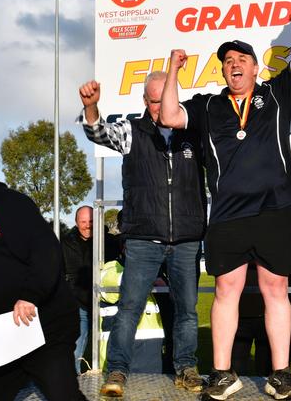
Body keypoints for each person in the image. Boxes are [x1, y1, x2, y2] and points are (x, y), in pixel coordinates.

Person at [159, 35, 291, 400]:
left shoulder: (275, 93)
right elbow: (168, 115)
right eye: (228, 60)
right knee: (225, 292)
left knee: (275, 290)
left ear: (254, 66)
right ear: (223, 70)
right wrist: (173, 70)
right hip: (228, 215)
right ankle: (222, 373)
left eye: (242, 58)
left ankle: (280, 375)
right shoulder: (207, 105)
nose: (235, 64)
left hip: (274, 210)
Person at [79, 71, 207, 397]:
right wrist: (92, 108)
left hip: (186, 239)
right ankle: (117, 371)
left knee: (188, 311)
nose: (159, 106)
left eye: (164, 99)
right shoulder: (132, 131)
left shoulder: (193, 133)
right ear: (144, 101)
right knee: (130, 308)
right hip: (143, 239)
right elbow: (98, 132)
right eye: (153, 100)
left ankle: (186, 368)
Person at [0, 177, 86, 401]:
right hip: (3, 334)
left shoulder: (6, 203)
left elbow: (46, 250)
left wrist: (29, 296)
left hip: (44, 327)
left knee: (63, 395)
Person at [61, 205, 94, 374]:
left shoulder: (108, 241)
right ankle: (74, 381)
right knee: (75, 347)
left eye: (91, 221)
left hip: (103, 303)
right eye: (83, 221)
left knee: (107, 347)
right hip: (77, 303)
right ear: (76, 222)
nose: (87, 225)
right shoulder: (65, 242)